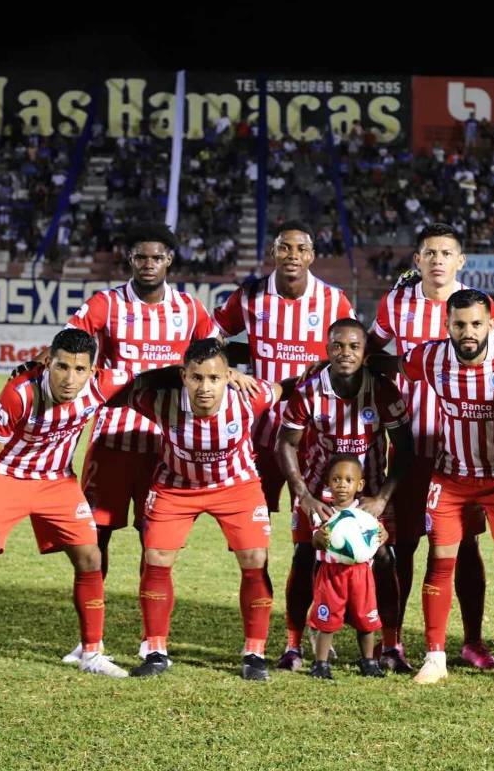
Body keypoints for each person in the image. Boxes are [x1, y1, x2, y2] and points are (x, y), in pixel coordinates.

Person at [374, 289, 494, 687]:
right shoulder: (428, 357)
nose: (468, 331)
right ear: (447, 325)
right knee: (440, 562)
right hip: (450, 478)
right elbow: (388, 365)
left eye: (476, 323)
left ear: (491, 323)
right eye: (459, 324)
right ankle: (435, 656)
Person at [60, 227, 218, 665]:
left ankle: (154, 642)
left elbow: (212, 356)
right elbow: (66, 345)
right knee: (94, 541)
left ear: (169, 259)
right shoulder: (105, 305)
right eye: (140, 257)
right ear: (129, 259)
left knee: (156, 543)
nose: (148, 264)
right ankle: (90, 641)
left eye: (156, 257)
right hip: (111, 440)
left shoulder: (189, 309)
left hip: (164, 446)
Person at [211, 220, 356, 668]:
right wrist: (226, 369)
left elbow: (350, 356)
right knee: (252, 544)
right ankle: (257, 636)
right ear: (273, 253)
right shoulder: (251, 295)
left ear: (312, 255)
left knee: (307, 542)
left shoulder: (333, 300)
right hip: (254, 436)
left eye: (301, 248)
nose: (292, 255)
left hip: (307, 441)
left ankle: (294, 641)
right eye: (284, 247)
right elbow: (213, 333)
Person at [0, 328, 134, 682]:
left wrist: (230, 371)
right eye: (62, 367)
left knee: (90, 557)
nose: (70, 378)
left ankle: (92, 653)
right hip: (6, 475)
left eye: (80, 370)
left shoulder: (103, 384)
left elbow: (155, 374)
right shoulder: (20, 394)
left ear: (92, 371)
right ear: (48, 361)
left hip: (57, 481)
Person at [367, 224, 494, 670]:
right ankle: (393, 641)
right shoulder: (396, 303)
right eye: (429, 253)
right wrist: (400, 371)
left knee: (465, 547)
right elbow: (369, 351)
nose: (438, 260)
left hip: (463, 450)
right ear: (417, 259)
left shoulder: (478, 307)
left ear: (461, 261)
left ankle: (473, 641)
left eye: (447, 253)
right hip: (409, 447)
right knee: (402, 545)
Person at [126, 339, 293, 681]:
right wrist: (164, 377)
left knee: (254, 561)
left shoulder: (250, 396)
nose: (205, 387)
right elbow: (132, 385)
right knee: (156, 557)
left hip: (237, 488)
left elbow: (285, 388)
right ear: (183, 377)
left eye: (214, 378)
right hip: (176, 487)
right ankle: (156, 650)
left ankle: (254, 653)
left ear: (228, 377)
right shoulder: (159, 402)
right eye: (196, 377)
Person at [277, 319, 414, 672]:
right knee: (306, 557)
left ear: (365, 352)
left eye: (354, 346)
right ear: (327, 349)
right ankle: (293, 646)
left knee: (383, 561)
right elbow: (286, 444)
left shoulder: (383, 391)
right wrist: (304, 495)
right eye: (338, 346)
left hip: (368, 495)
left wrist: (382, 497)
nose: (345, 353)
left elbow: (405, 448)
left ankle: (390, 645)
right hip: (320, 495)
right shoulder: (308, 390)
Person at [306, 455, 390, 680]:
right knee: (328, 620)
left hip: (361, 574)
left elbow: (378, 533)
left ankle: (369, 661)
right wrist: (319, 538)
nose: (342, 484)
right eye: (336, 479)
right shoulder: (323, 511)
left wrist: (383, 535)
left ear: (359, 485)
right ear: (328, 482)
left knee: (366, 619)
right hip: (331, 574)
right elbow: (314, 537)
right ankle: (320, 663)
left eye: (348, 480)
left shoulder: (365, 512)